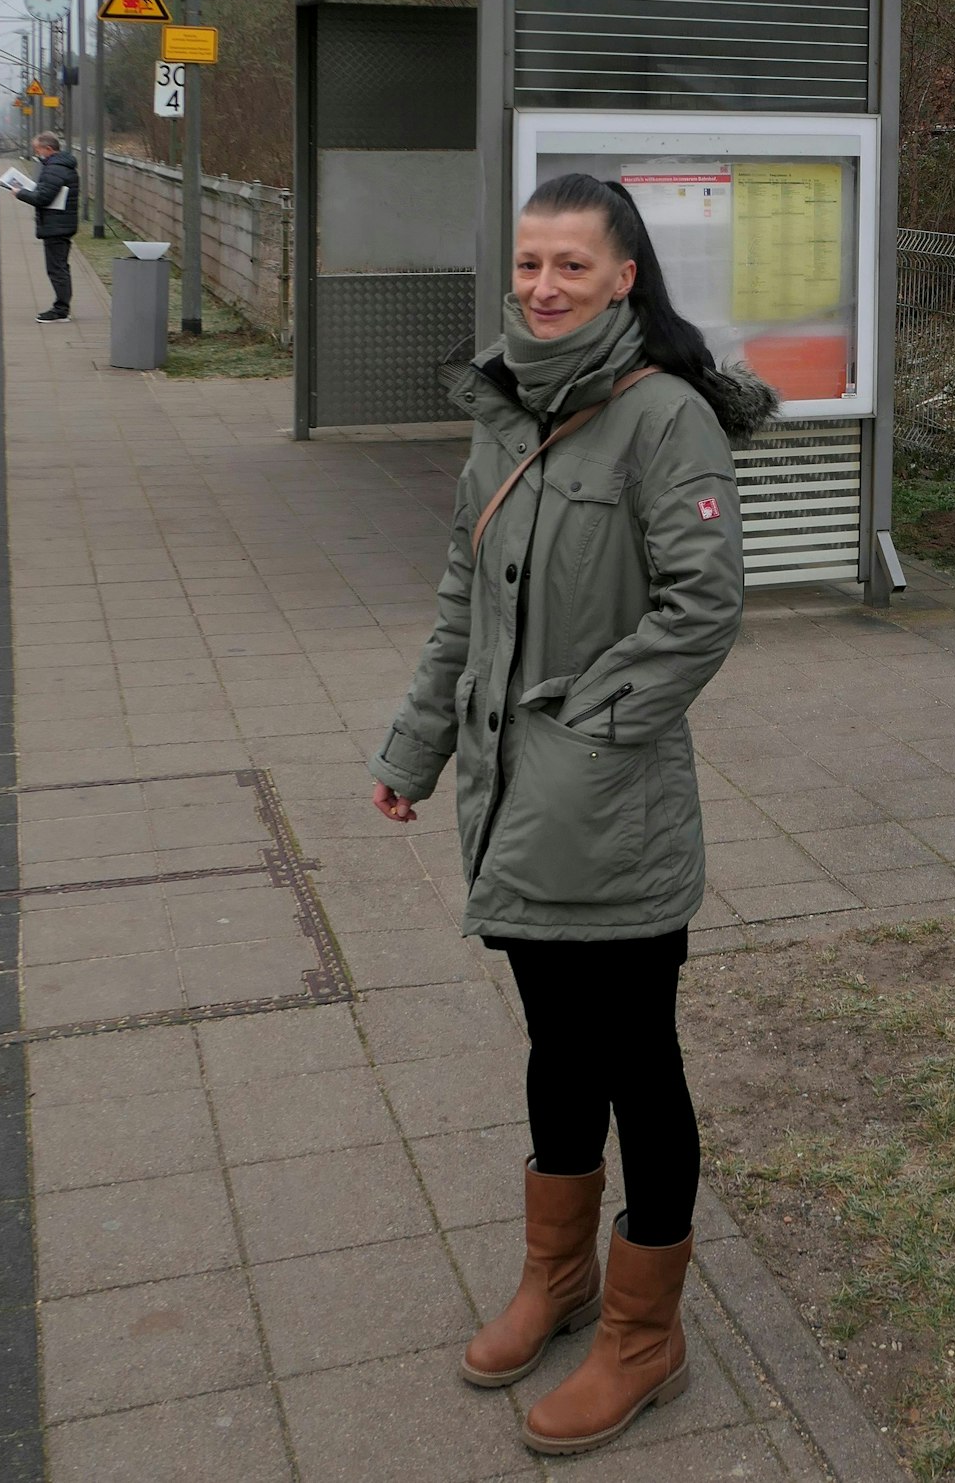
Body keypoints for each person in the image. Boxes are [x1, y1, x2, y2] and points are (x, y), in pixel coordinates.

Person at [368, 174, 776, 1456]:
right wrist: (416, 745)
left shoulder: (664, 418)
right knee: (555, 1043)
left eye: (570, 266)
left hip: (608, 804)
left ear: (622, 279)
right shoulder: (506, 409)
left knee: (636, 1061)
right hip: (511, 801)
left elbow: (703, 605)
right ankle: (559, 1278)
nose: (542, 286)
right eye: (528, 262)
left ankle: (645, 1338)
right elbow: (462, 593)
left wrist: (581, 732)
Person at [16, 131, 80, 322]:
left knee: (57, 269)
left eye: (38, 150)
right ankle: (62, 307)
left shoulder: (55, 169)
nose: (37, 154)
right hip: (61, 223)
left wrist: (20, 193)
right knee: (60, 267)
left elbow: (43, 197)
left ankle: (61, 310)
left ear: (49, 149)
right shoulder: (62, 166)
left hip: (56, 225)